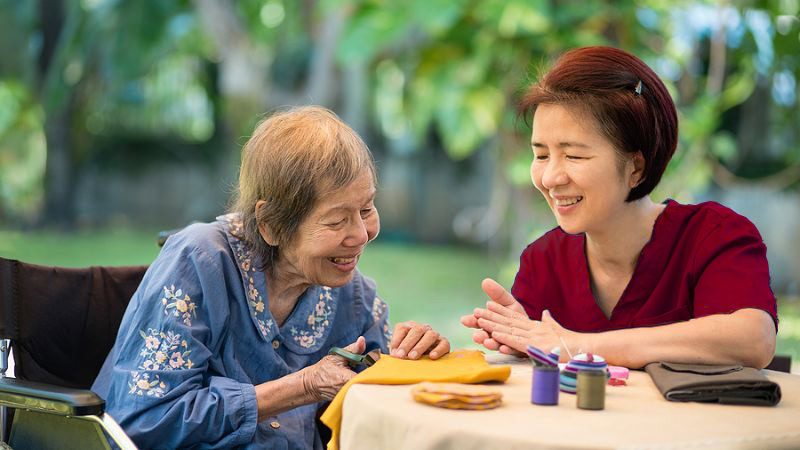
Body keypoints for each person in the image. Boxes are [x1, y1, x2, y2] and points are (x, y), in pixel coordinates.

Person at [92, 106, 450, 449]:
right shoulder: (200, 262)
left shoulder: (351, 294)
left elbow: (377, 405)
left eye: (367, 209)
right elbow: (141, 422)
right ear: (271, 225)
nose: (362, 234)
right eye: (337, 220)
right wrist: (303, 387)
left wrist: (412, 358)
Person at [461, 46, 777, 369]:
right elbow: (533, 357)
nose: (551, 177)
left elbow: (754, 340)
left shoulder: (713, 235)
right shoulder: (544, 261)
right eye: (541, 155)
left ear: (635, 167)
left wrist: (579, 346)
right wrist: (512, 343)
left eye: (573, 155)